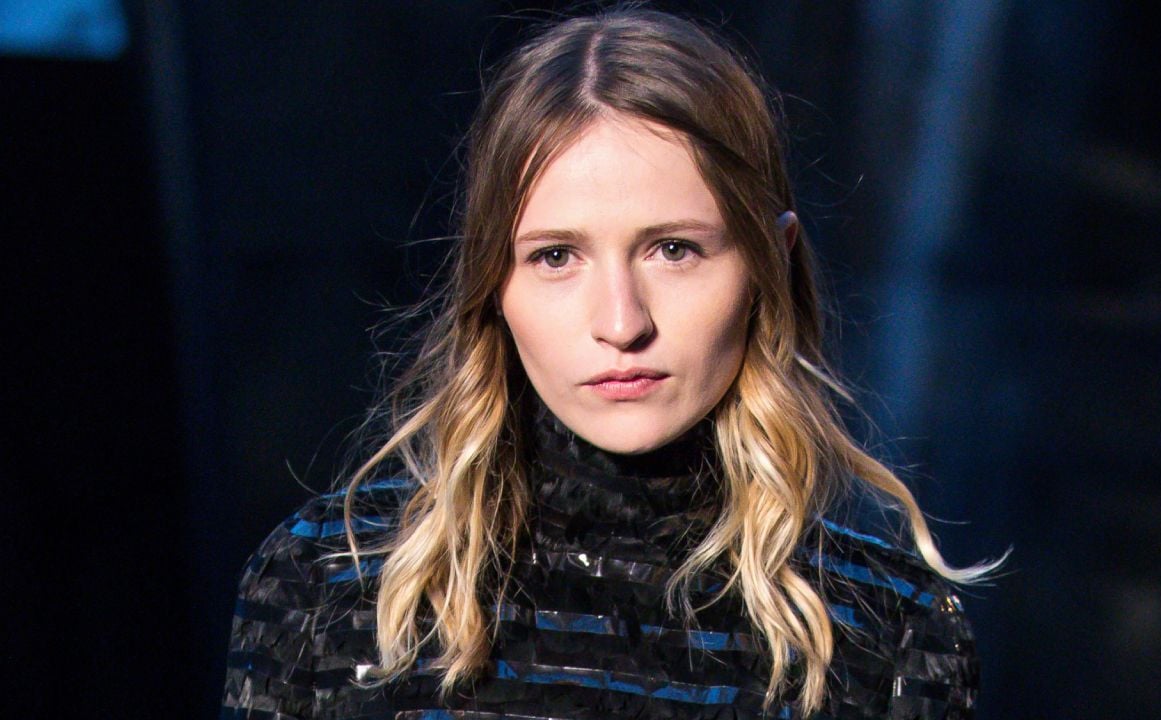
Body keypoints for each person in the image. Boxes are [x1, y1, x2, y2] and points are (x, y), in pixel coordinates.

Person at [220, 6, 1003, 719]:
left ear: (769, 264)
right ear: (493, 285)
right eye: (556, 257)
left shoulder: (894, 635)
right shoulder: (320, 585)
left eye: (674, 250)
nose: (622, 324)